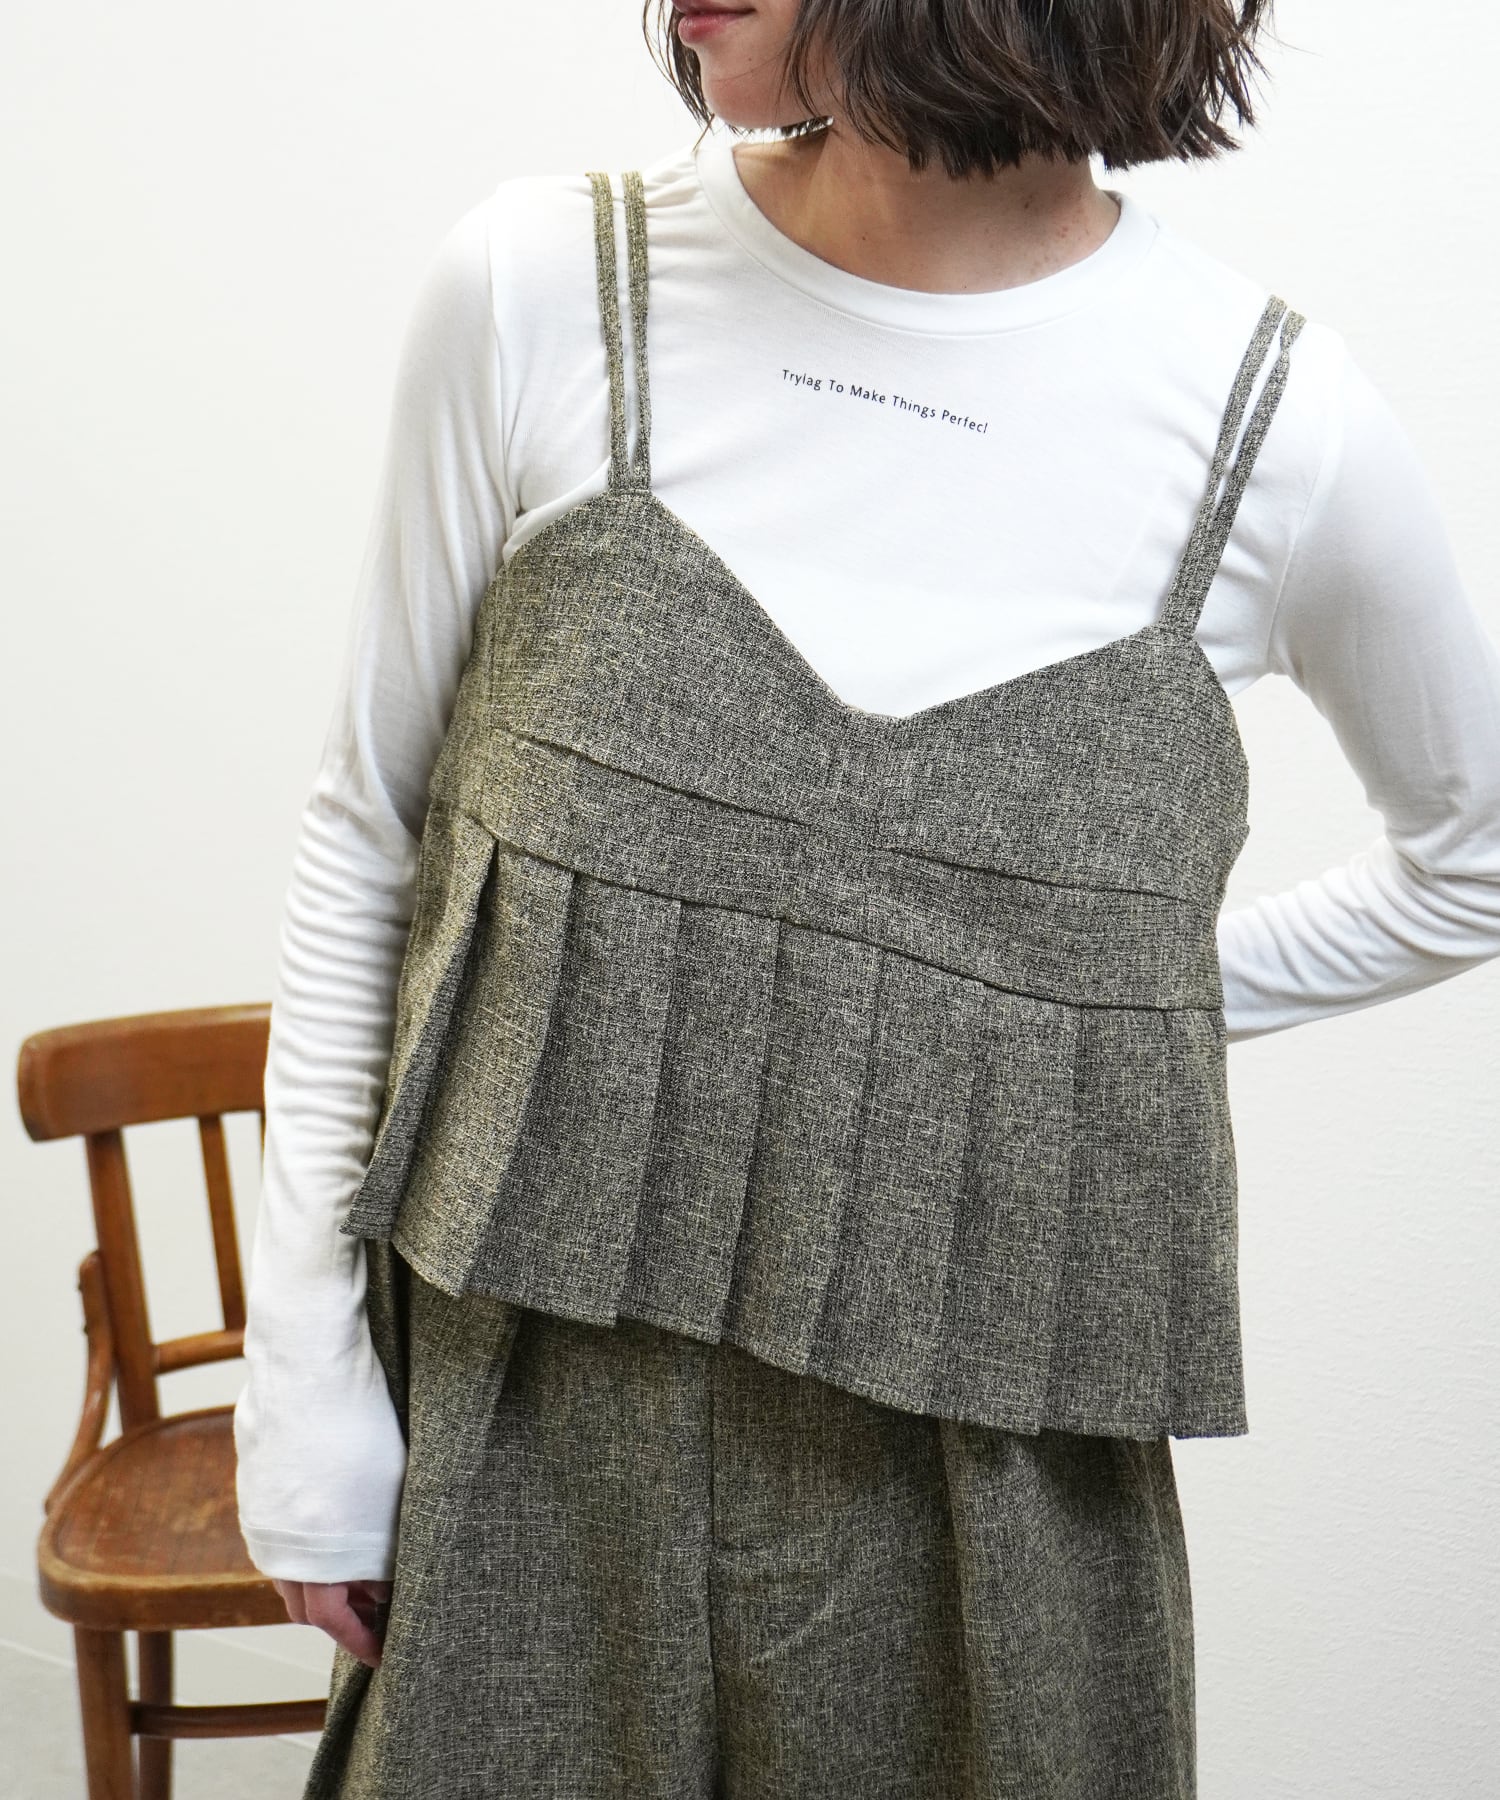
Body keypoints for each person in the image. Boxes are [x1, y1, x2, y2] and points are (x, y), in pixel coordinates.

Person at [233, 3, 1500, 1796]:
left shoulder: (1275, 423)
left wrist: (1081, 1005)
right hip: (525, 1422)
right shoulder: (541, 288)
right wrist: (301, 1382)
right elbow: (370, 832)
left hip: (1003, 1487)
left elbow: (1473, 862)